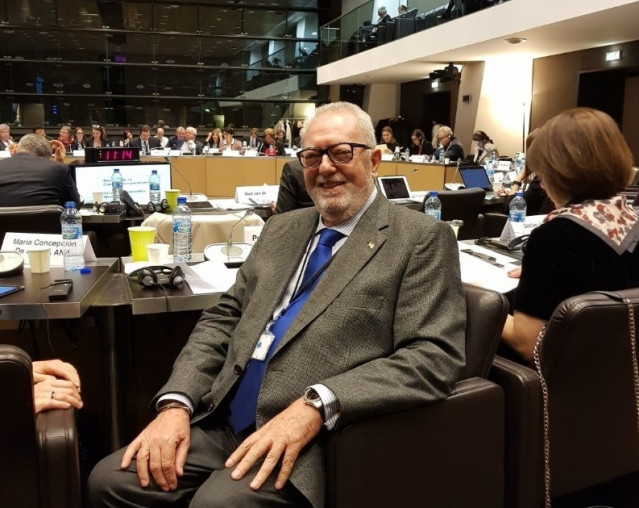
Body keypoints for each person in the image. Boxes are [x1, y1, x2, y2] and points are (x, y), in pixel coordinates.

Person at [88, 101, 465, 508]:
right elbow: (223, 318)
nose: (325, 168)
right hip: (223, 415)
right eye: (312, 156)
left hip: (313, 437)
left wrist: (319, 403)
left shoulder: (420, 239)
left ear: (373, 160)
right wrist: (177, 403)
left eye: (341, 153)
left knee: (217, 505)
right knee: (109, 481)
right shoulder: (281, 228)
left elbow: (432, 356)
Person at [501, 108, 639, 363]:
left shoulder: (554, 238)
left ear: (558, 173)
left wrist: (479, 303)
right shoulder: (631, 221)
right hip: (622, 368)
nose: (542, 184)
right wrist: (538, 271)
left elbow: (527, 343)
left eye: (542, 174)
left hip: (560, 375)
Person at [0, 134, 81, 207]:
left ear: (18, 149)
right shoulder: (58, 169)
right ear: (46, 157)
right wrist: (59, 163)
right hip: (47, 219)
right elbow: (75, 205)